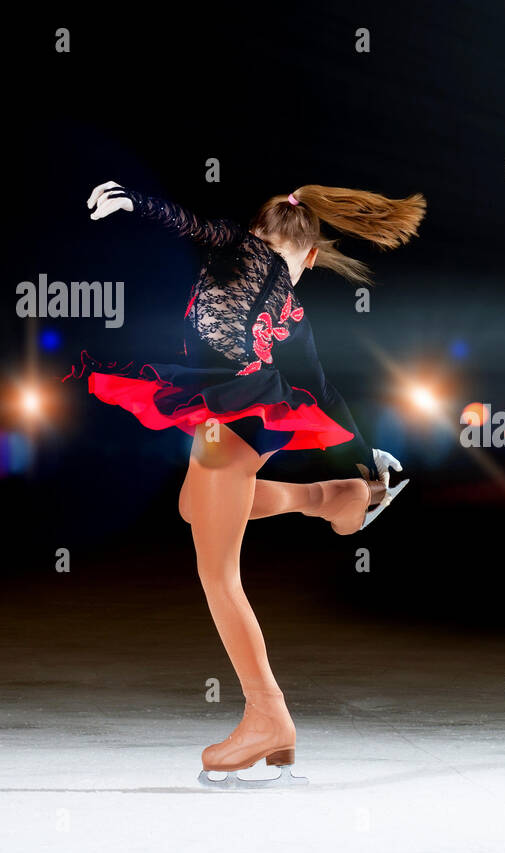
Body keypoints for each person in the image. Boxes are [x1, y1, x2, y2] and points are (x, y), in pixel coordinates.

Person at [73, 180, 424, 784]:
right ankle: (332, 497)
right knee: (194, 508)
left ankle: (267, 716)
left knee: (217, 572)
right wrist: (367, 460)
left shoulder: (238, 247)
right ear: (310, 255)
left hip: (231, 415)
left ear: (259, 232)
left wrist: (135, 201)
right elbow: (325, 387)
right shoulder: (289, 305)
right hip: (242, 414)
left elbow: (188, 223)